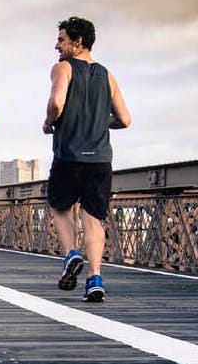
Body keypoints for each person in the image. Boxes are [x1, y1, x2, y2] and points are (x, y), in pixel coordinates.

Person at [42, 16, 131, 302]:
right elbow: (125, 119)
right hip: (101, 159)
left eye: (61, 40)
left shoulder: (63, 68)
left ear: (77, 42)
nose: (56, 46)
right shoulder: (107, 75)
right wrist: (99, 123)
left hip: (69, 155)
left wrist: (49, 122)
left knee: (60, 207)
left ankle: (71, 254)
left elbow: (56, 103)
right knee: (93, 220)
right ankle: (95, 279)